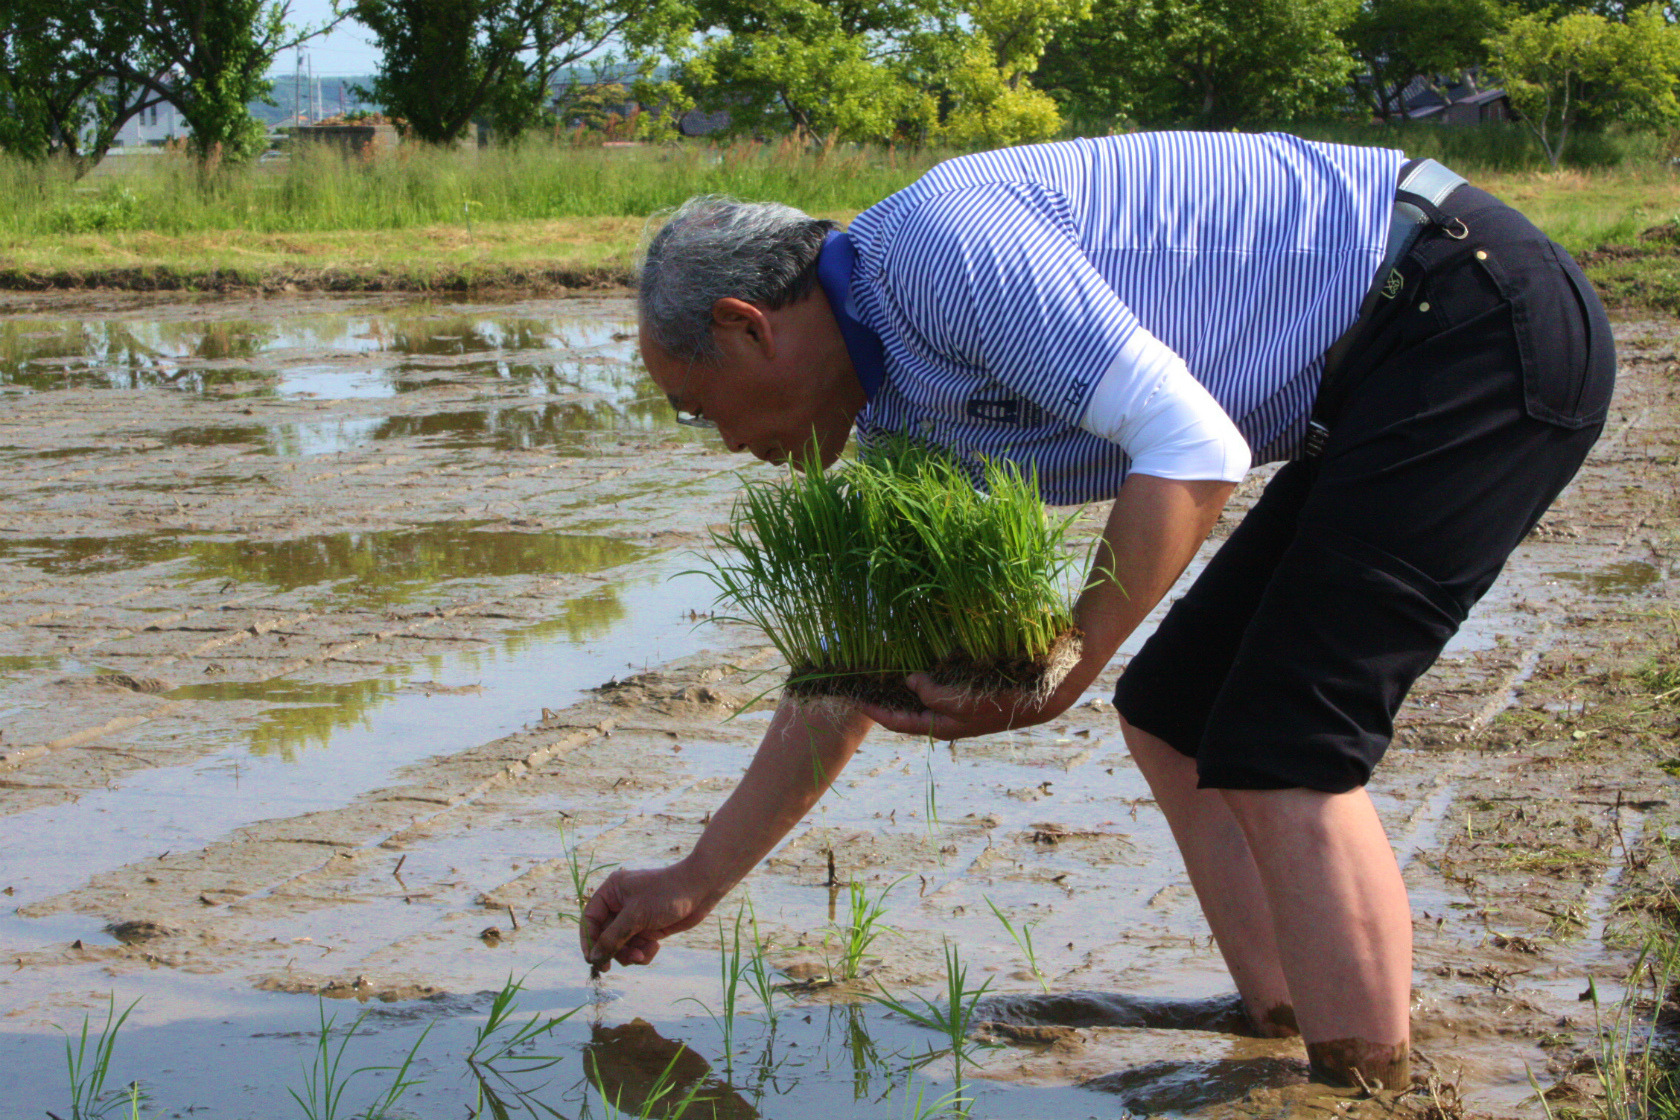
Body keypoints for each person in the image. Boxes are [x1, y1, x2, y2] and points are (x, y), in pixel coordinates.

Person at [579, 131, 1615, 1089]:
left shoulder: (941, 251)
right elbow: (856, 673)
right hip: (1389, 360)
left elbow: (1194, 446)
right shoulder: (893, 408)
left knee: (1287, 741)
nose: (720, 443)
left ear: (745, 325)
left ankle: (1367, 1089)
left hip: (1467, 311)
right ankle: (1292, 1014)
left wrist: (1069, 659)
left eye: (698, 406)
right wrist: (695, 877)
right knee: (1177, 710)